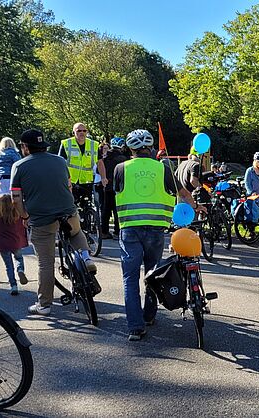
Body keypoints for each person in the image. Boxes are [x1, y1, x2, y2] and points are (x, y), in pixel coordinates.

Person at [114, 129, 203, 341]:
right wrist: (197, 206)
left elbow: (115, 192)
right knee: (153, 274)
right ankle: (149, 316)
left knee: (130, 278)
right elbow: (183, 193)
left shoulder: (120, 168)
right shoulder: (163, 168)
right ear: (150, 148)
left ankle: (135, 328)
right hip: (155, 228)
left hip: (130, 228)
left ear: (131, 149)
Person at [11, 128, 96, 316]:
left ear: (25, 147)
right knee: (76, 232)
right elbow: (68, 184)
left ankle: (44, 305)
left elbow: (16, 198)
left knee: (45, 263)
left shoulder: (19, 166)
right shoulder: (60, 161)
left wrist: (24, 216)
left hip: (41, 219)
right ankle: (85, 257)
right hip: (68, 211)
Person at [58, 123, 107, 217]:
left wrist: (103, 177)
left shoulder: (93, 145)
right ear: (73, 132)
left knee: (86, 206)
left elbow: (100, 163)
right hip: (70, 182)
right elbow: (60, 163)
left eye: (84, 131)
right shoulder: (66, 144)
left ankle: (87, 224)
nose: (82, 133)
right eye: (79, 131)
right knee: (70, 207)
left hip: (86, 181)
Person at [0, 194, 28, 295]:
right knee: (19, 258)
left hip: (3, 244)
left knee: (8, 265)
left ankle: (13, 286)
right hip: (16, 242)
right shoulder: (17, 215)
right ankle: (20, 270)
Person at [100, 137, 129, 239]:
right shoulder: (123, 159)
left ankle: (104, 231)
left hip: (107, 186)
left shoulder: (104, 157)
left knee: (106, 209)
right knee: (118, 210)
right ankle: (117, 231)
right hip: (119, 187)